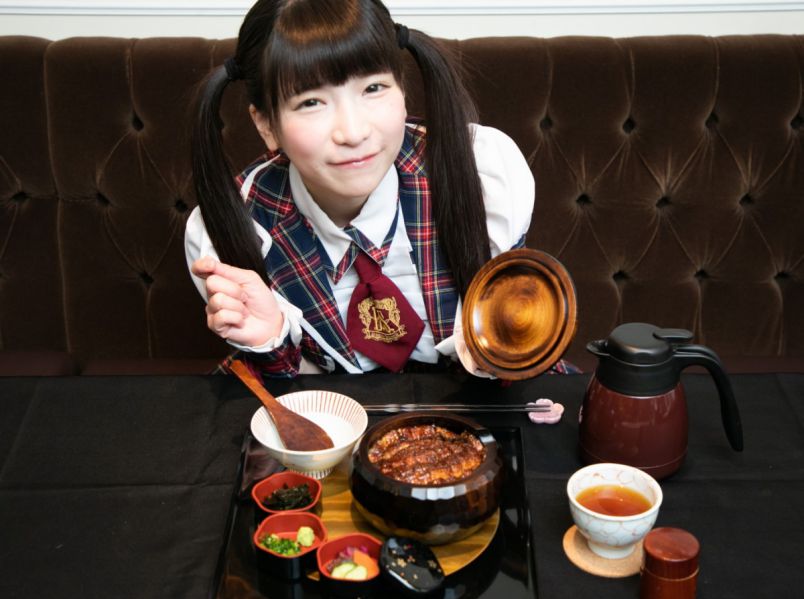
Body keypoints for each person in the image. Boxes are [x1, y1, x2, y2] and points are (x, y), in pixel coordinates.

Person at [185, 0, 574, 377]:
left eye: (373, 88)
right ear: (266, 125)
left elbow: (511, 351)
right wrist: (269, 338)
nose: (354, 132)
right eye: (311, 102)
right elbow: (295, 391)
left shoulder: (480, 172)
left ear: (402, 91)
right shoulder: (235, 229)